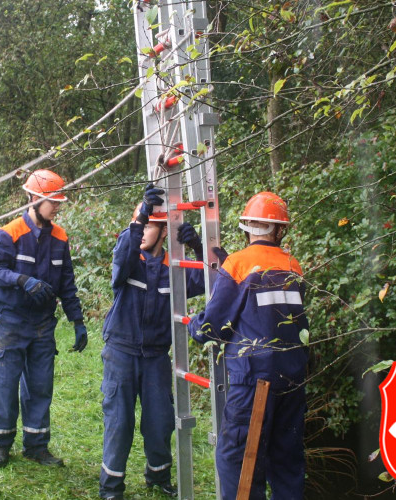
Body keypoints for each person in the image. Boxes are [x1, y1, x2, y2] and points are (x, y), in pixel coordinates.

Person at [187, 192, 308, 500]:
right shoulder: (293, 266)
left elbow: (215, 323)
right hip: (293, 377)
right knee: (286, 461)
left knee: (240, 461)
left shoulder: (238, 264)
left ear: (247, 227)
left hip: (256, 381)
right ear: (280, 229)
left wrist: (195, 328)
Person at [98, 184, 207, 500]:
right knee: (119, 422)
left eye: (150, 225)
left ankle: (158, 477)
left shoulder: (171, 269)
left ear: (164, 232)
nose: (144, 230)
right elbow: (121, 259)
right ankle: (111, 487)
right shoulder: (129, 258)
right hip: (120, 352)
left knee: (160, 422)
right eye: (141, 224)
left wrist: (198, 248)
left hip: (156, 357)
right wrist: (138, 218)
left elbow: (204, 282)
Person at [0, 169, 88, 468]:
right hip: (11, 321)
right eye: (52, 201)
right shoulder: (9, 233)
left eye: (59, 202)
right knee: (5, 384)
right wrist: (22, 280)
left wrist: (77, 321)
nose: (57, 207)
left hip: (43, 326)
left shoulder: (60, 237)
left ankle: (37, 446)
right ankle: (2, 445)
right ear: (33, 198)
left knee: (40, 386)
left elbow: (66, 283)